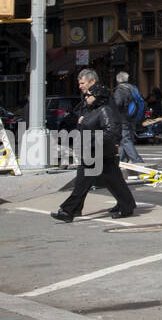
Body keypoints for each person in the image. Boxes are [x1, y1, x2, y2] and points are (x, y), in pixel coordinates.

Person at [52, 69, 136, 222]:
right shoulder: (90, 100)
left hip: (99, 149)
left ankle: (70, 210)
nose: (80, 87)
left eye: (82, 83)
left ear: (92, 82)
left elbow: (112, 123)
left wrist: (112, 141)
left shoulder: (102, 100)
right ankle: (73, 210)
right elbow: (87, 120)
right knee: (97, 180)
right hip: (92, 148)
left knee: (103, 180)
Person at [112, 71, 146, 166]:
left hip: (123, 119)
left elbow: (117, 104)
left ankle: (138, 161)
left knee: (125, 140)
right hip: (133, 118)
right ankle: (122, 162)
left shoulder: (120, 90)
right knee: (125, 140)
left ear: (118, 80)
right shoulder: (133, 88)